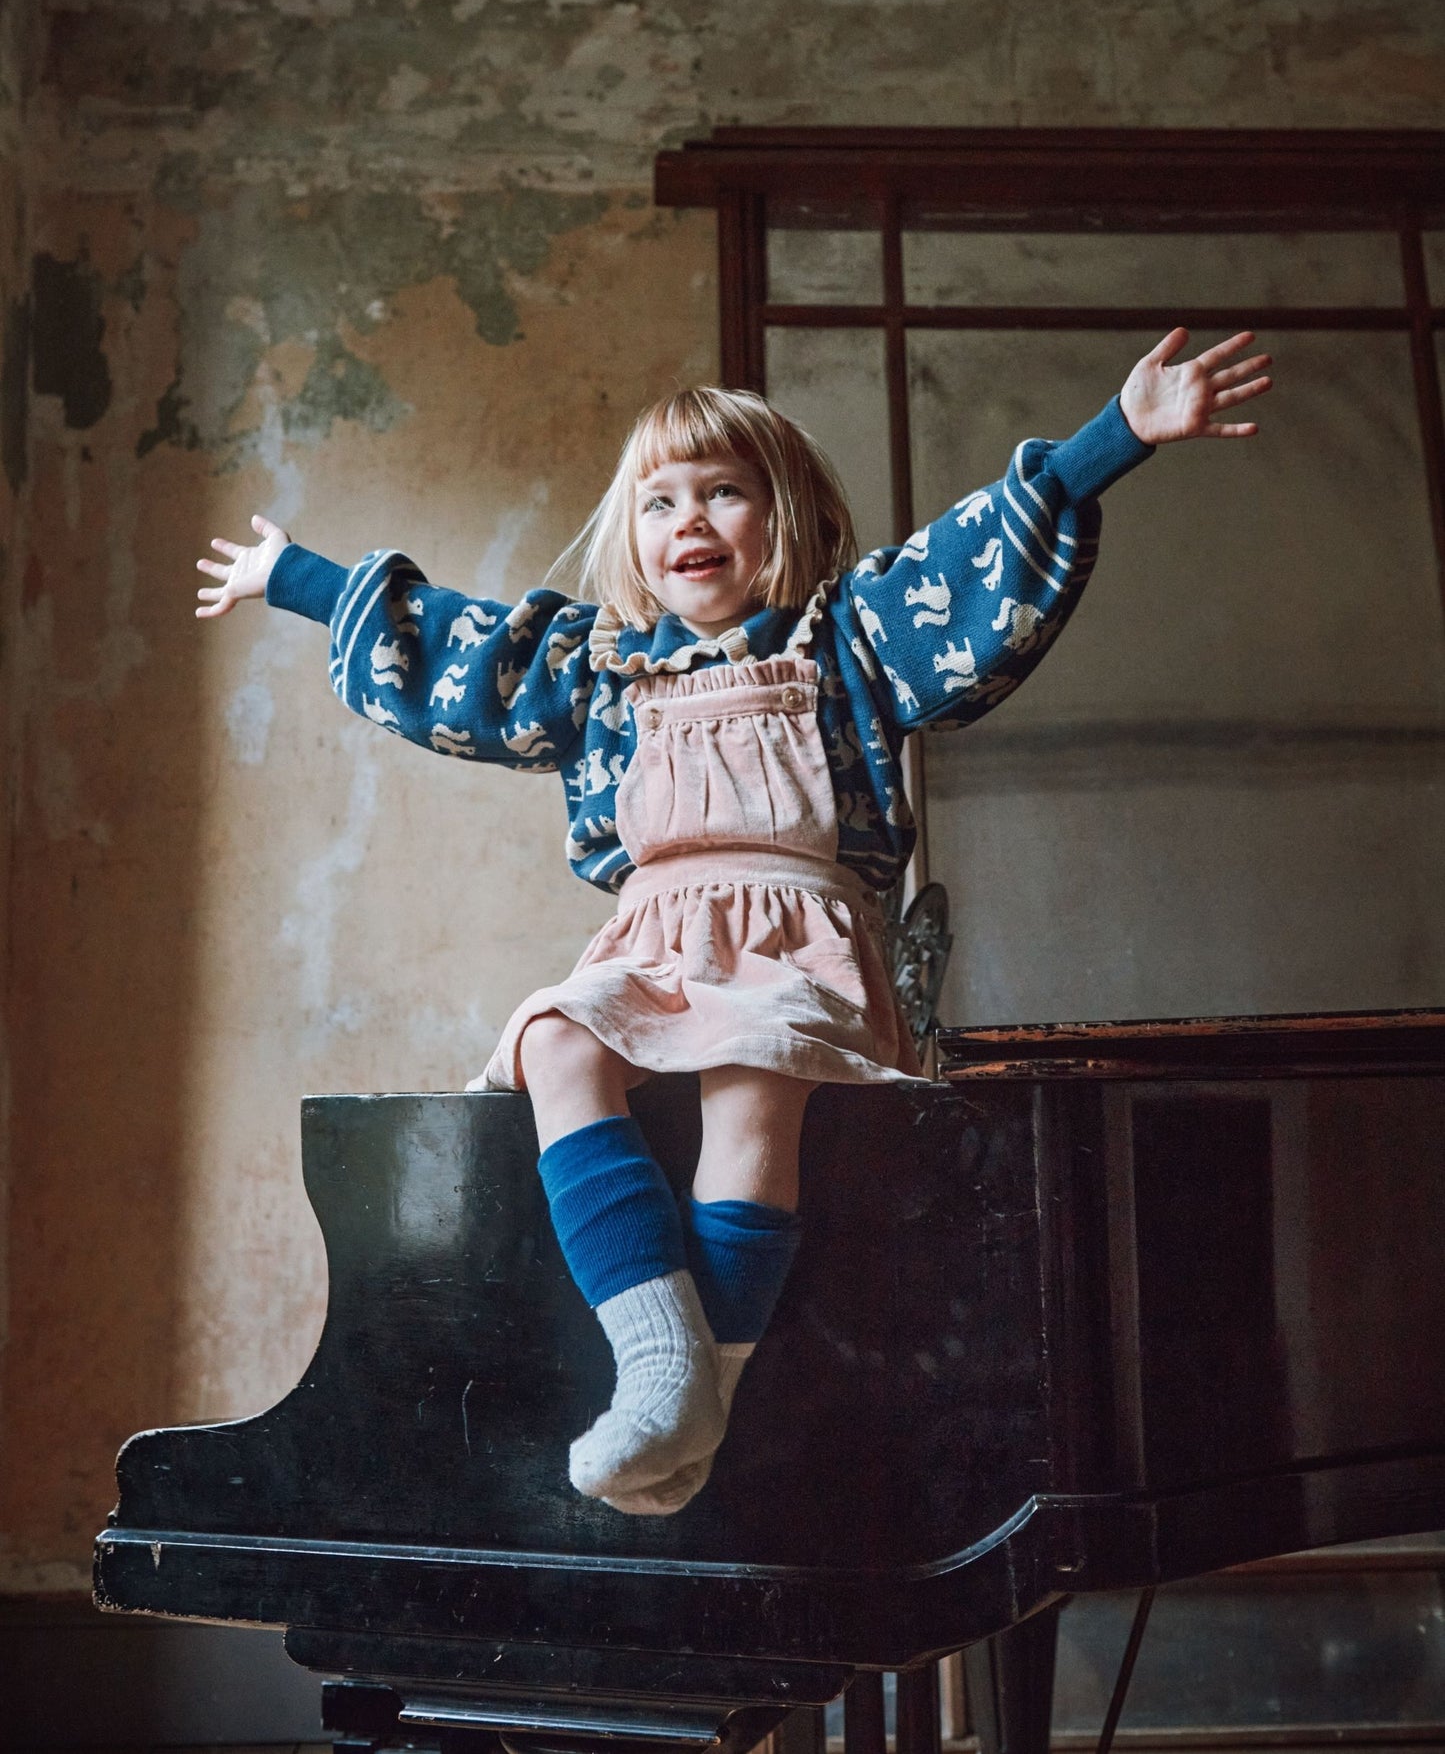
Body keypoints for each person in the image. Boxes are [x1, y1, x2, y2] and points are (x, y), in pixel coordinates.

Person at [197, 326, 1271, 1516]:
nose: (687, 521)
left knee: (754, 1062)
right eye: (657, 502)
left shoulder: (847, 639)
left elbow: (968, 563)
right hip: (649, 946)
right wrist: (294, 577)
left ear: (784, 516)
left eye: (721, 492)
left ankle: (696, 1386)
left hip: (797, 946)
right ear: (633, 538)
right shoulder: (598, 665)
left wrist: (1115, 435)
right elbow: (463, 647)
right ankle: (662, 1356)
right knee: (553, 1038)